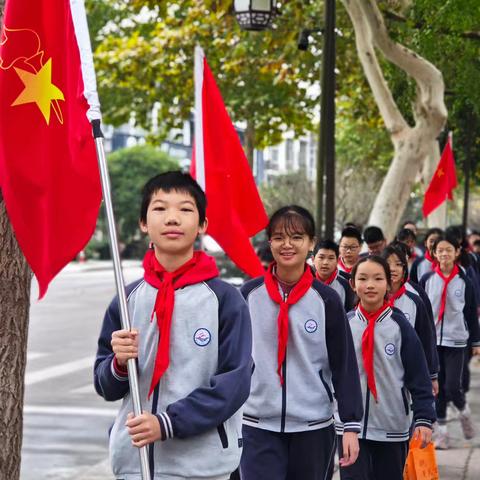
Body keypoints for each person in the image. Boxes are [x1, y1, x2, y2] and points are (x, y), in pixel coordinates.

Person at [94, 171, 253, 480]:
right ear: (143, 223)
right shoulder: (127, 300)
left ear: (203, 225)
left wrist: (167, 422)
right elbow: (105, 385)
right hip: (134, 463)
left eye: (185, 209)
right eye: (160, 208)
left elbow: (235, 383)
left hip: (202, 466)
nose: (172, 218)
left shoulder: (226, 300)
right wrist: (119, 364)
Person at [240, 206, 363, 480]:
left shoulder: (327, 300)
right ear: (269, 242)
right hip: (257, 424)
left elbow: (344, 364)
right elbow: (230, 360)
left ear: (310, 243)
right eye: (279, 237)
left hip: (313, 426)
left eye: (296, 237)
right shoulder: (248, 296)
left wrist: (351, 425)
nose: (287, 244)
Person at [337, 256, 436, 480]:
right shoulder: (344, 325)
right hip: (351, 428)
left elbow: (419, 378)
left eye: (378, 278)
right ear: (352, 284)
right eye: (362, 278)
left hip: (392, 426)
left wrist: (423, 418)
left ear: (388, 284)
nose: (370, 285)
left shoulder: (401, 327)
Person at [420, 235, 480, 449]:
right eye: (440, 250)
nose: (444, 254)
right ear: (434, 254)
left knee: (453, 386)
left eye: (448, 250)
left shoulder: (465, 282)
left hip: (457, 341)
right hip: (433, 341)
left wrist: (476, 341)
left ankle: (463, 412)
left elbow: (471, 314)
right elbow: (422, 312)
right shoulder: (427, 280)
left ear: (457, 253)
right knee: (438, 390)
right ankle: (442, 434)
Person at [382, 245, 439, 394]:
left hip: (409, 367)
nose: (393, 269)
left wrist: (432, 375)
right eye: (388, 263)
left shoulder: (415, 299)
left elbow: (427, 337)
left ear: (404, 269)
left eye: (398, 264)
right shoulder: (371, 299)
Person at [313, 239, 355, 312]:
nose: (325, 262)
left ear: (337, 261)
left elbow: (348, 313)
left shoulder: (347, 283)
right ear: (313, 259)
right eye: (321, 257)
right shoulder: (306, 282)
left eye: (331, 258)